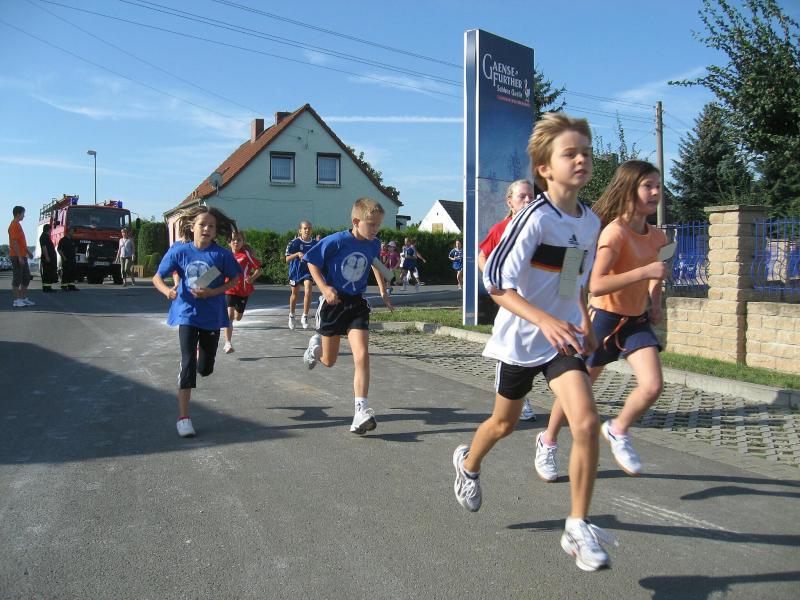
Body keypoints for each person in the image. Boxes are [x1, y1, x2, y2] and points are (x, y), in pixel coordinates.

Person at [452, 113, 616, 572]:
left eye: (586, 152)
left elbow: (572, 279)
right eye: (570, 153)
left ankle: (577, 526)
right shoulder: (533, 218)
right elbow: (495, 284)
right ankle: (468, 464)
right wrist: (543, 319)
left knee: (586, 422)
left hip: (561, 340)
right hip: (520, 340)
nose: (581, 159)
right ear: (545, 168)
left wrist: (582, 319)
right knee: (503, 424)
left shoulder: (590, 222)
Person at [535, 160, 668, 481]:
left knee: (653, 385)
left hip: (635, 321)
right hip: (603, 320)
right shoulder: (613, 232)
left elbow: (657, 273)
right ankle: (548, 441)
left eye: (658, 186)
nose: (655, 192)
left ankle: (618, 429)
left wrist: (655, 300)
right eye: (647, 186)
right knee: (576, 390)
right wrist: (645, 273)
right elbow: (596, 284)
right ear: (629, 190)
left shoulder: (658, 236)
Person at [301, 197, 393, 435]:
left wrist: (383, 291)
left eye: (378, 225)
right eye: (371, 224)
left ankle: (360, 412)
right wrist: (324, 288)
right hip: (333, 303)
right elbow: (311, 261)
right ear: (355, 221)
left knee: (362, 355)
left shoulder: (373, 243)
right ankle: (314, 349)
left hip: (356, 304)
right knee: (329, 361)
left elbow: (374, 263)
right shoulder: (337, 241)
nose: (376, 230)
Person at [152, 206, 242, 438]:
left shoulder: (221, 255)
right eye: (202, 224)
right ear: (192, 227)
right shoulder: (180, 251)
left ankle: (199, 357)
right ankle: (184, 418)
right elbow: (157, 277)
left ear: (215, 231)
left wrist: (213, 292)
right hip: (187, 313)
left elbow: (235, 278)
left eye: (211, 226)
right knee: (188, 364)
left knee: (205, 369)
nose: (206, 229)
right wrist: (167, 291)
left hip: (211, 316)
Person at [477, 179, 539, 422]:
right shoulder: (501, 229)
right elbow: (482, 257)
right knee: (512, 347)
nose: (528, 200)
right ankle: (518, 399)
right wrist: (493, 280)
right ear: (510, 202)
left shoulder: (542, 227)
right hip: (512, 299)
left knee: (533, 348)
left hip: (536, 300)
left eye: (531, 196)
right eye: (522, 196)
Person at [223, 231, 262, 354]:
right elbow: (216, 270)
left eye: (239, 240)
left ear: (243, 242)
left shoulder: (246, 255)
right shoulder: (225, 255)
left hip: (243, 290)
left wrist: (252, 278)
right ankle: (228, 343)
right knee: (229, 316)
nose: (236, 242)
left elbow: (259, 269)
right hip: (229, 288)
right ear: (229, 242)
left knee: (238, 317)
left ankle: (236, 314)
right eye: (233, 240)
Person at [285, 220, 316, 330]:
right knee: (295, 294)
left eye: (309, 228)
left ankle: (305, 316)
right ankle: (292, 316)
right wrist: (297, 254)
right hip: (296, 271)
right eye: (305, 228)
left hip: (307, 271)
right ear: (300, 230)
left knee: (308, 290)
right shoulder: (294, 243)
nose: (307, 230)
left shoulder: (315, 243)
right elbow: (287, 259)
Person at [8, 205, 34, 307]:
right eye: (23, 213)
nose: (24, 216)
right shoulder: (14, 225)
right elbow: (14, 243)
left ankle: (22, 298)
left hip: (22, 255)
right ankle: (16, 300)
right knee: (17, 278)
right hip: (16, 256)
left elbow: (21, 242)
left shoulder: (18, 225)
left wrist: (28, 252)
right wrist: (19, 257)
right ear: (18, 214)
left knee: (26, 278)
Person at [39, 223, 58, 293]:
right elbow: (44, 247)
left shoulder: (46, 236)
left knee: (49, 273)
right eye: (50, 230)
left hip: (49, 258)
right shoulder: (44, 237)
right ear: (48, 230)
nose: (51, 231)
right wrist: (47, 256)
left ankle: (48, 287)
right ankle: (46, 288)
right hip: (47, 258)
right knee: (47, 273)